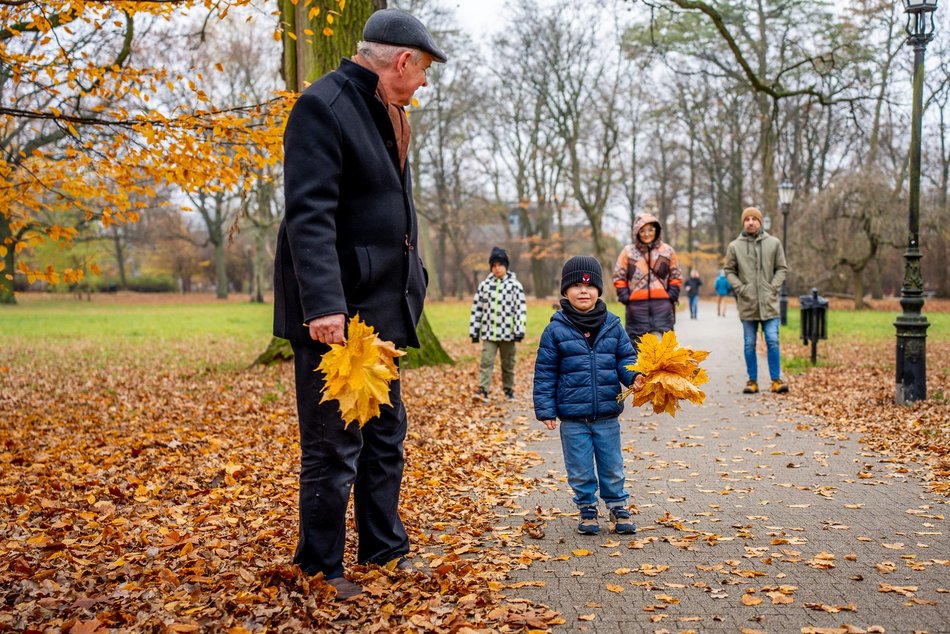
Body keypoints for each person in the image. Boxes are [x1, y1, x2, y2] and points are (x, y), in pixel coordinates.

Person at [272, 9, 447, 600]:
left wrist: (412, 275)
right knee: (333, 444)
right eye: (421, 71)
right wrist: (323, 305)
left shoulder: (389, 111)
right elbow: (309, 214)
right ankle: (319, 568)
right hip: (337, 317)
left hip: (382, 312)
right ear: (402, 61)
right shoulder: (323, 106)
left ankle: (384, 550)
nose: (423, 83)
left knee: (384, 436)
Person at [534, 256, 645, 536]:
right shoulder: (555, 330)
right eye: (576, 285)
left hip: (607, 413)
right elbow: (545, 371)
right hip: (572, 417)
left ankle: (618, 505)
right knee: (580, 468)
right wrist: (546, 409)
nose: (583, 291)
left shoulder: (612, 325)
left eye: (589, 285)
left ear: (598, 289)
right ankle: (586, 508)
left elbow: (626, 360)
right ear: (565, 291)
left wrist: (633, 376)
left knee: (612, 465)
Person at [724, 206, 789, 395]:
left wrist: (772, 287)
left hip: (769, 303)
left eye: (754, 219)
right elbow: (729, 271)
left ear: (760, 222)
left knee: (772, 340)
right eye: (747, 219)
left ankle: (776, 380)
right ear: (743, 223)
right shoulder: (735, 246)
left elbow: (782, 268)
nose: (751, 222)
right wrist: (741, 289)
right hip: (747, 303)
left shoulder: (774, 243)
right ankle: (752, 381)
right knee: (749, 343)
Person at [612, 213, 683, 346]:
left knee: (663, 348)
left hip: (662, 307)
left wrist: (671, 295)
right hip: (636, 308)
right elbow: (618, 275)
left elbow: (676, 274)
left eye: (650, 229)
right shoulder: (628, 251)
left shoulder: (667, 250)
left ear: (657, 230)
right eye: (642, 230)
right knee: (636, 347)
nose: (646, 234)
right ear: (636, 232)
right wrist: (625, 296)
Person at [469, 246, 527, 400]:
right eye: (494, 266)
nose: (497, 268)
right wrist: (474, 331)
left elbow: (520, 310)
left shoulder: (515, 286)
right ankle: (483, 390)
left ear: (506, 266)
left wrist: (519, 330)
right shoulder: (485, 286)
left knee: (508, 364)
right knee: (486, 362)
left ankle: (509, 390)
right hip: (489, 334)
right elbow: (477, 310)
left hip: (509, 334)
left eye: (500, 265)